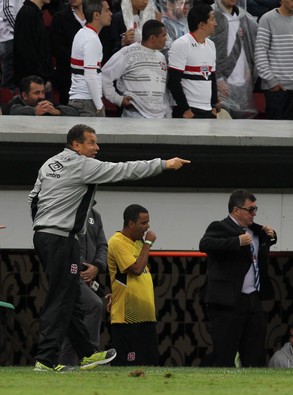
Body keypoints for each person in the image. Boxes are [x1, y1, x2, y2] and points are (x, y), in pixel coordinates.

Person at [28, 123, 190, 372]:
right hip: (62, 239)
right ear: (76, 145)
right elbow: (123, 170)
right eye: (91, 142)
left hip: (44, 236)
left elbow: (33, 199)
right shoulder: (82, 165)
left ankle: (86, 354)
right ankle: (45, 360)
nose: (97, 147)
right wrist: (163, 164)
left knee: (69, 297)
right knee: (60, 298)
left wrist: (43, 226)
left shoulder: (49, 164)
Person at [199, 189, 277, 367]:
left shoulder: (255, 230)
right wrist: (236, 242)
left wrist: (272, 236)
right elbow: (205, 244)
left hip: (253, 299)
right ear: (236, 210)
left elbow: (262, 250)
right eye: (250, 210)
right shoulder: (220, 226)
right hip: (228, 301)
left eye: (255, 209)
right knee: (225, 352)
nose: (254, 213)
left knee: (255, 351)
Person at [108, 204, 158, 366]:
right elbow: (136, 269)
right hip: (127, 320)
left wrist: (144, 243)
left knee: (150, 365)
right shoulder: (117, 242)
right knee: (128, 367)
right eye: (143, 223)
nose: (148, 227)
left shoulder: (137, 242)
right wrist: (148, 243)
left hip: (146, 316)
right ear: (131, 224)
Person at [59, 207, 107, 366]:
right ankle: (91, 356)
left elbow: (102, 246)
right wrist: (82, 267)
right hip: (71, 273)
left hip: (89, 274)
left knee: (75, 319)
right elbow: (66, 242)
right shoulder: (69, 209)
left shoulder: (95, 215)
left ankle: (67, 363)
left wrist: (97, 267)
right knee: (95, 305)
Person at [102, 19, 169, 118]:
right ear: (152, 38)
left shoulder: (161, 57)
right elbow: (104, 76)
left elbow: (163, 90)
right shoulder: (128, 53)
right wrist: (117, 99)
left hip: (160, 118)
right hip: (135, 116)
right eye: (163, 35)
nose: (166, 39)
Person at [167, 2, 219, 119]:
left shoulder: (211, 45)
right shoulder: (182, 44)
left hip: (208, 110)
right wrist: (185, 109)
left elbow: (212, 77)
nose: (216, 23)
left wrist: (214, 106)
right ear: (202, 25)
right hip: (189, 111)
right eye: (212, 19)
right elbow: (173, 81)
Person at [210, 0, 258, 119]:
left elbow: (249, 47)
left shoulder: (244, 17)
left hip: (241, 80)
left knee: (239, 128)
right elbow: (207, 49)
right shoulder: (211, 15)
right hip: (220, 81)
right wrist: (218, 77)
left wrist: (248, 70)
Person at [254, 0, 293, 120]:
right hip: (277, 89)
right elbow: (260, 52)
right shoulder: (267, 19)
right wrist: (272, 81)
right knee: (276, 131)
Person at [68, 0, 112, 117]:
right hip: (87, 102)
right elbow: (90, 76)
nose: (111, 13)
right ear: (96, 15)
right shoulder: (91, 39)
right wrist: (99, 105)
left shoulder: (82, 33)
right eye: (107, 10)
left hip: (79, 99)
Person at [50, 0, 86, 105]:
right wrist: (78, 59)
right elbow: (56, 47)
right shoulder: (59, 17)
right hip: (67, 75)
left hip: (91, 72)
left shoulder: (95, 16)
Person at [13, 0, 54, 90]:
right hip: (33, 84)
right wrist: (41, 78)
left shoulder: (35, 13)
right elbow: (27, 51)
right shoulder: (27, 14)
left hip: (40, 80)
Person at [2, 75, 79, 115]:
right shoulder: (13, 104)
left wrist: (57, 111)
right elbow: (11, 111)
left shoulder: (45, 103)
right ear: (24, 95)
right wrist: (35, 111)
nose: (41, 96)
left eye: (43, 92)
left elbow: (74, 112)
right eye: (36, 93)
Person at [0, 0, 22, 89]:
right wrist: (19, 29)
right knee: (9, 71)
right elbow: (6, 10)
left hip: (15, 36)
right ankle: (6, 98)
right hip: (8, 37)